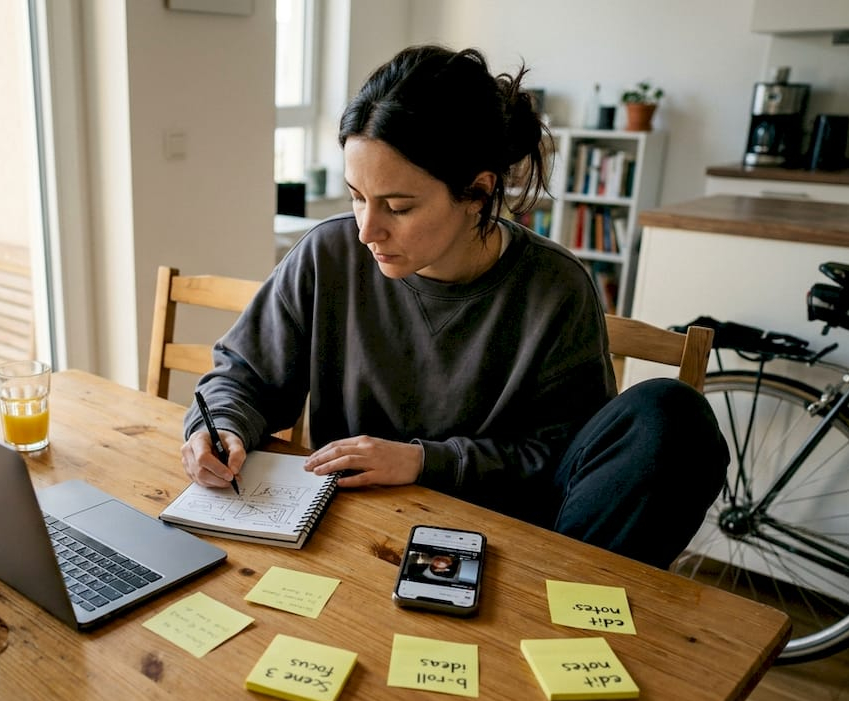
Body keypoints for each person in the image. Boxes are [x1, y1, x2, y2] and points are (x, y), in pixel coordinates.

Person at [180, 45, 727, 569]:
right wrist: (221, 425)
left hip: (508, 545)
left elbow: (562, 459)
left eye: (398, 205)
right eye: (356, 196)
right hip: (352, 534)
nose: (368, 230)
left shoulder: (555, 288)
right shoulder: (329, 255)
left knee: (672, 416)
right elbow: (244, 376)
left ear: (478, 193)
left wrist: (421, 460)